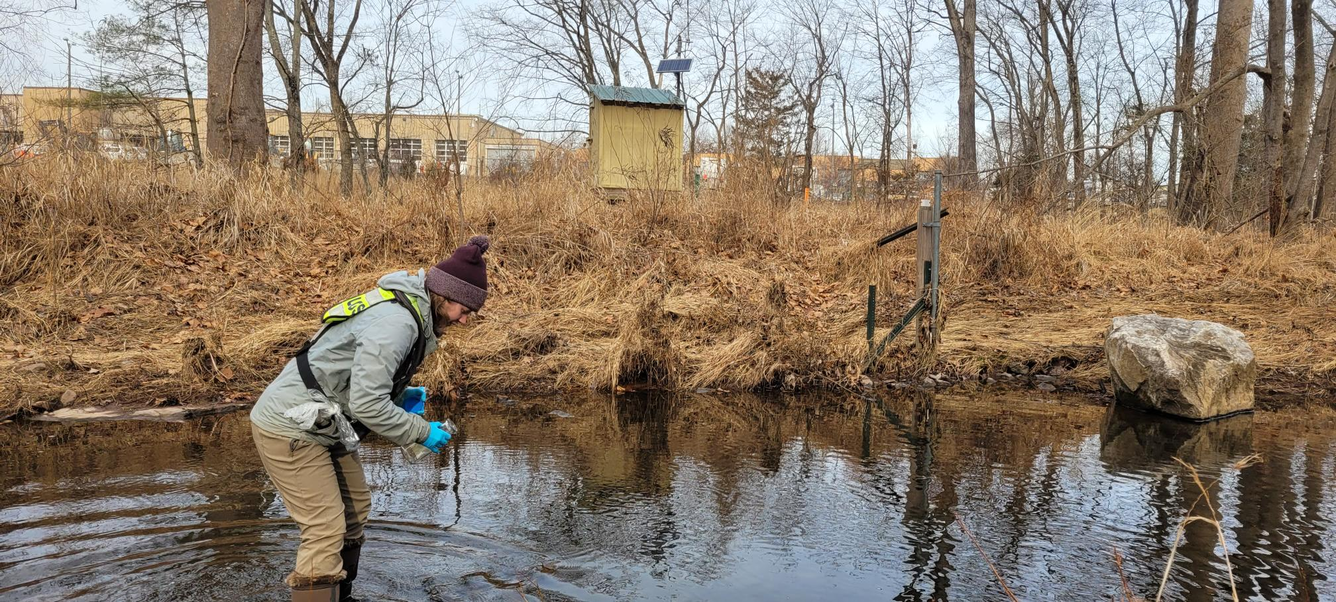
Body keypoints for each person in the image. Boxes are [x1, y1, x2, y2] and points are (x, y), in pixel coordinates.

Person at [249, 235, 491, 602]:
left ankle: (339, 597)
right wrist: (420, 432)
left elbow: (358, 381)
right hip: (291, 424)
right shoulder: (398, 323)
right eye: (466, 308)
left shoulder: (411, 311)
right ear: (445, 295)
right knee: (325, 528)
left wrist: (399, 396)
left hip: (326, 420)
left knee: (354, 509)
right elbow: (366, 405)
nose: (468, 317)